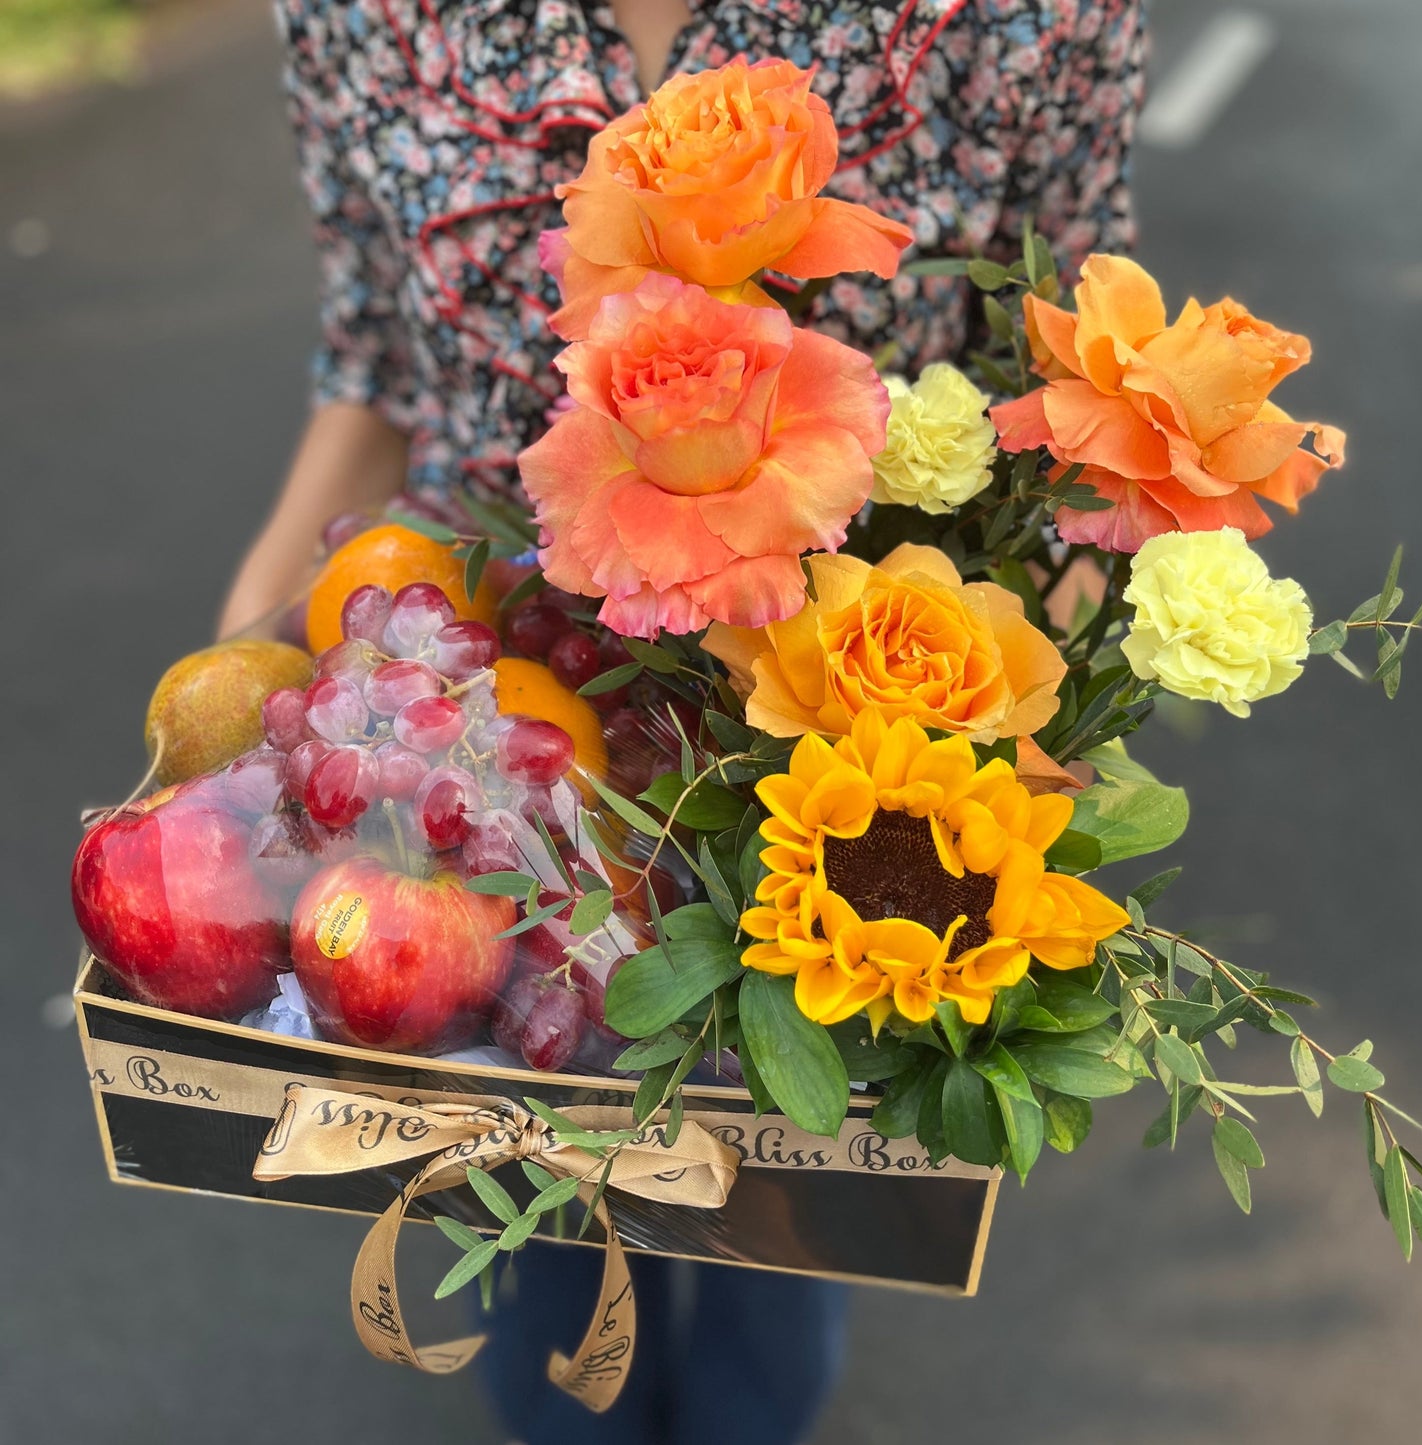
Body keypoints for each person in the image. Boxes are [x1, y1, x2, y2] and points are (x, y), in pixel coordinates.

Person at [227, 2, 1146, 1440]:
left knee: (770, 1298)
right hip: (479, 782)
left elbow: (1071, 382)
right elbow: (369, 369)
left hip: (836, 790)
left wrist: (1037, 713)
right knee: (542, 1291)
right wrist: (233, 673)